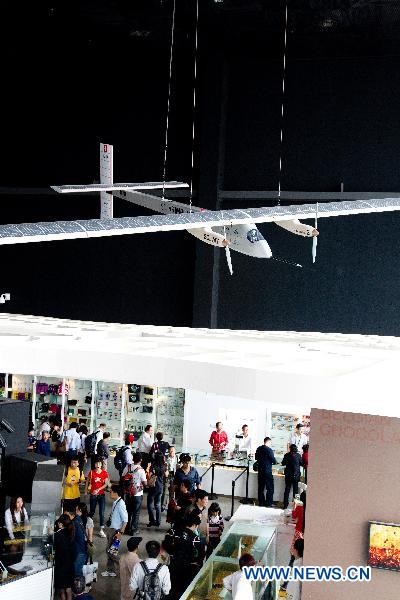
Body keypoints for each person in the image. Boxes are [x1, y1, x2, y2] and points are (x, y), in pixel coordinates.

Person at [169, 513, 204, 599]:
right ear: (194, 525)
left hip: (173, 565)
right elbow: (202, 553)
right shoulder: (195, 538)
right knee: (182, 589)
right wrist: (197, 562)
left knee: (172, 587)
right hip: (187, 568)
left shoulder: (175, 532)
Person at [102, 485, 128, 577]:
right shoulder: (116, 502)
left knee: (111, 552)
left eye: (111, 491)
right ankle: (110, 570)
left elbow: (125, 520)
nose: (110, 493)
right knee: (109, 551)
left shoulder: (121, 504)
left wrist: (120, 533)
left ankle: (124, 567)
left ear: (116, 493)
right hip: (111, 529)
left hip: (116, 531)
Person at [121, 452, 147, 535]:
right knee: (136, 512)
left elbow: (122, 478)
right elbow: (145, 483)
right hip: (137, 495)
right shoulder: (141, 470)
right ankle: (134, 530)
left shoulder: (127, 467)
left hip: (128, 493)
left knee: (128, 511)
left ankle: (126, 528)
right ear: (141, 460)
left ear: (133, 459)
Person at [86, 456, 110, 538]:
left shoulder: (104, 473)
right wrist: (86, 491)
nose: (98, 465)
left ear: (101, 464)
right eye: (96, 463)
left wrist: (98, 489)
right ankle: (87, 526)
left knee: (101, 513)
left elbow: (106, 484)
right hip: (93, 495)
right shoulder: (91, 472)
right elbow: (87, 482)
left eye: (99, 463)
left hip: (101, 495)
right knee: (92, 511)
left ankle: (101, 530)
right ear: (94, 464)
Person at [54, 514, 75, 600]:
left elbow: (54, 547)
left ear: (61, 524)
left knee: (62, 590)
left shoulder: (58, 535)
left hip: (61, 565)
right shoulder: (71, 532)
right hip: (69, 565)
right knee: (68, 588)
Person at [147, 452, 167, 528]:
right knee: (158, 504)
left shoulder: (153, 466)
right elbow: (166, 475)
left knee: (150, 504)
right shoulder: (164, 466)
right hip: (160, 487)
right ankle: (158, 521)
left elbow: (149, 476)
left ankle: (152, 520)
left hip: (153, 487)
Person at [255, 437, 277, 507]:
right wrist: (275, 462)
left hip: (260, 470)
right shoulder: (269, 450)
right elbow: (273, 460)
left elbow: (256, 458)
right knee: (270, 488)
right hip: (267, 471)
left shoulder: (259, 448)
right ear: (269, 442)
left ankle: (261, 503)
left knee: (261, 488)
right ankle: (268, 503)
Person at [282, 445, 303, 509]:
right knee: (296, 491)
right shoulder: (298, 455)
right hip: (296, 476)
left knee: (287, 490)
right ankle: (295, 506)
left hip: (288, 475)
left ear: (290, 449)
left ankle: (285, 505)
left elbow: (283, 463)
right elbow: (301, 463)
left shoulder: (287, 455)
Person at [163, 446, 177, 511]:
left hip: (174, 476)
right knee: (165, 491)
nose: (171, 452)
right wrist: (165, 470)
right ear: (168, 451)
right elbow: (163, 466)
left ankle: (170, 507)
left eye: (173, 451)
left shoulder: (177, 458)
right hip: (167, 476)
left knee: (172, 493)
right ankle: (163, 506)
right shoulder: (165, 457)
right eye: (170, 451)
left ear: (175, 451)